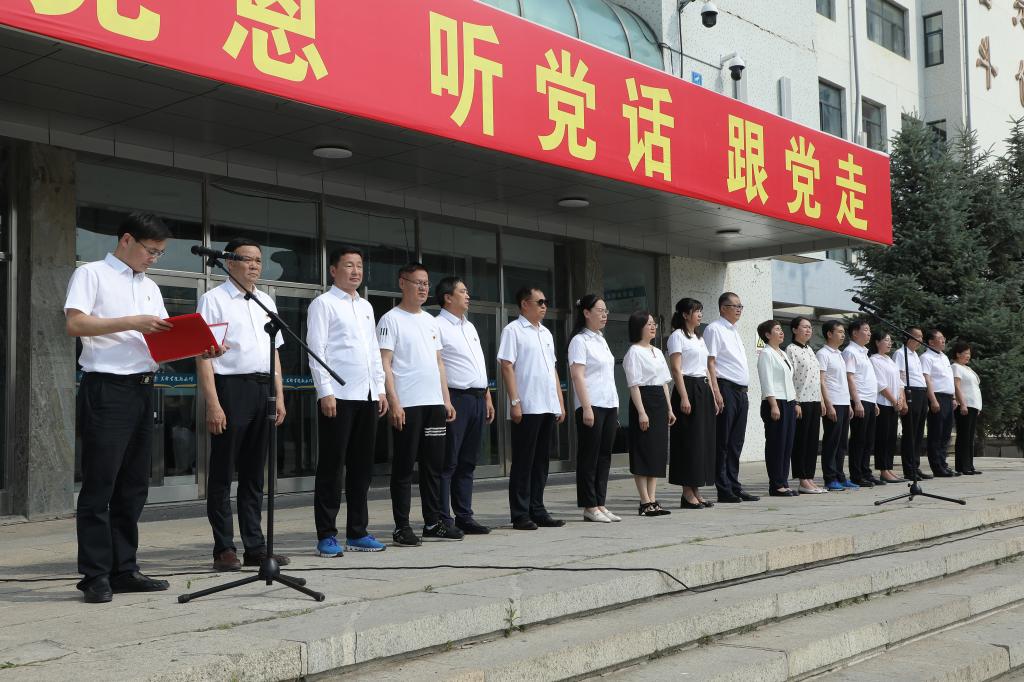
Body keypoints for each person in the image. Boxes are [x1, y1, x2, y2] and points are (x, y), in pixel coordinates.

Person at [65, 213, 218, 603]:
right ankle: (95, 575)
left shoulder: (150, 286)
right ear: (127, 240)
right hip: (106, 388)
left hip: (143, 389)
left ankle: (124, 569)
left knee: (133, 486)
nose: (154, 258)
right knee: (100, 484)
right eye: (151, 250)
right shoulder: (92, 274)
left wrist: (201, 346)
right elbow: (76, 325)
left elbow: (163, 341)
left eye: (160, 253)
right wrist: (132, 322)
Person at [197, 237, 289, 571]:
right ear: (229, 262)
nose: (254, 265)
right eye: (247, 259)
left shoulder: (265, 300)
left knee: (254, 474)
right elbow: (203, 355)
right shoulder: (214, 299)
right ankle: (224, 548)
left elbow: (273, 352)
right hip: (231, 388)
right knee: (223, 472)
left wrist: (280, 395)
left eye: (258, 260)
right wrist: (213, 403)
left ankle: (255, 547)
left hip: (263, 389)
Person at [306, 246, 388, 557]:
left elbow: (373, 351)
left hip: (366, 395)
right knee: (331, 467)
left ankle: (358, 531)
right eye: (349, 265)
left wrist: (379, 388)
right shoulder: (323, 304)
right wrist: (324, 391)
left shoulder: (366, 306)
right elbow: (316, 350)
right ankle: (326, 535)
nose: (356, 271)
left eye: (359, 266)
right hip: (338, 396)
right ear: (333, 270)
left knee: (361, 468)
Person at [378, 263, 459, 546]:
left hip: (433, 404)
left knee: (433, 466)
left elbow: (439, 362)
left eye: (426, 283)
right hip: (408, 404)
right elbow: (385, 363)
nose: (423, 288)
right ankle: (401, 527)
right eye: (418, 282)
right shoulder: (390, 319)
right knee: (403, 468)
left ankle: (433, 522)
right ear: (403, 283)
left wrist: (446, 399)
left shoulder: (431, 321)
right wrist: (394, 401)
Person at [498, 286, 567, 530]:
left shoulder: (546, 333)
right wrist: (515, 402)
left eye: (545, 301)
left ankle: (538, 509)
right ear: (525, 304)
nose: (544, 306)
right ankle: (520, 513)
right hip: (527, 405)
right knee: (523, 461)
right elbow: (506, 365)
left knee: (541, 461)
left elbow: (552, 369)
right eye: (540, 302)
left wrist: (560, 401)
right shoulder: (513, 330)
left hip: (547, 403)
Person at [435, 276, 496, 534]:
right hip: (455, 399)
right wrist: (446, 400)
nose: (468, 295)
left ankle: (465, 516)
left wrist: (487, 396)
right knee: (449, 461)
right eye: (462, 291)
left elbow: (479, 364)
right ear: (448, 297)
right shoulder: (437, 325)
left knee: (468, 461)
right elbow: (437, 365)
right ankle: (443, 518)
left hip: (477, 398)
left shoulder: (469, 326)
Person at [568, 295, 621, 523]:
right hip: (591, 405)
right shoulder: (580, 341)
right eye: (600, 310)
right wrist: (586, 407)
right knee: (589, 457)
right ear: (586, 313)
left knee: (604, 456)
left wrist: (615, 405)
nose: (604, 314)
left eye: (606, 311)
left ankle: (600, 503)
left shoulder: (601, 339)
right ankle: (589, 505)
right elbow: (577, 376)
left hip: (609, 404)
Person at [705, 292, 759, 503]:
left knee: (736, 442)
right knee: (723, 441)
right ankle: (724, 488)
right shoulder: (714, 329)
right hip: (725, 388)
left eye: (740, 306)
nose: (738, 309)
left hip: (741, 392)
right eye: (734, 305)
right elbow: (710, 362)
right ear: (722, 308)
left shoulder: (734, 331)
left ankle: (735, 485)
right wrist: (716, 391)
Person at [623, 311, 676, 516]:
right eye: (649, 324)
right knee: (643, 451)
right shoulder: (634, 352)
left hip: (659, 401)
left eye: (654, 324)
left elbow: (664, 383)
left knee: (656, 452)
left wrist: (669, 408)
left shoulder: (657, 352)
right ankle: (644, 501)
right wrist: (641, 412)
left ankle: (653, 499)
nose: (653, 327)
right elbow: (634, 385)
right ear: (639, 327)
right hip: (643, 400)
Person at [667, 297, 716, 508]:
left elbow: (706, 368)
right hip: (687, 387)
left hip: (702, 388)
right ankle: (687, 492)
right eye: (696, 311)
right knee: (689, 441)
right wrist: (685, 396)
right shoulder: (676, 337)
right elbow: (676, 369)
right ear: (685, 314)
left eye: (701, 310)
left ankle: (696, 489)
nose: (700, 315)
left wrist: (713, 394)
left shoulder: (699, 338)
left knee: (702, 440)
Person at [756, 320, 798, 497]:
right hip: (775, 402)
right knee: (776, 445)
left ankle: (783, 481)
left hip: (788, 402)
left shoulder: (782, 353)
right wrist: (773, 405)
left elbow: (789, 380)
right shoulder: (766, 353)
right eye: (777, 329)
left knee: (787, 444)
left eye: (781, 329)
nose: (781, 332)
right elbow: (766, 381)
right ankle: (776, 485)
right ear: (767, 334)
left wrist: (795, 402)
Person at [786, 317, 827, 494]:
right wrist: (795, 402)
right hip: (801, 401)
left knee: (812, 442)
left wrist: (822, 400)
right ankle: (802, 479)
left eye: (810, 327)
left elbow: (816, 378)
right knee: (801, 442)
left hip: (814, 401)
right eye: (804, 327)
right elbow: (789, 378)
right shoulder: (790, 350)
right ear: (795, 330)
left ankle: (810, 478)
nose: (808, 330)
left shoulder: (810, 349)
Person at [844, 319, 881, 487]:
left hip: (869, 400)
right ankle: (856, 475)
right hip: (859, 400)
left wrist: (874, 402)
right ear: (854, 333)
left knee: (868, 440)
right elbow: (850, 377)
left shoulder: (864, 353)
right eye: (865, 330)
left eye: (869, 330)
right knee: (859, 439)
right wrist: (857, 402)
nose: (869, 333)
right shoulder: (850, 352)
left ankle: (866, 472)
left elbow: (867, 379)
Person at [817, 320, 854, 491]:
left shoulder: (839, 354)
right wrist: (828, 404)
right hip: (833, 403)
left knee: (842, 443)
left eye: (843, 332)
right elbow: (822, 381)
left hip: (844, 403)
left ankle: (840, 476)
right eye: (839, 332)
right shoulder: (823, 354)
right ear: (829, 334)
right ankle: (830, 478)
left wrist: (849, 404)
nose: (843, 335)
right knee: (831, 442)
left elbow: (843, 381)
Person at [868, 330, 907, 484]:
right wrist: (894, 400)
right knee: (882, 438)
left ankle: (889, 468)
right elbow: (881, 384)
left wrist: (901, 399)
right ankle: (883, 470)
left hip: (894, 404)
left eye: (890, 340)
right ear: (877, 342)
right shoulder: (874, 360)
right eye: (886, 340)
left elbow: (900, 382)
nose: (890, 343)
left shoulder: (890, 360)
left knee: (891, 438)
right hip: (884, 403)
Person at [893, 327, 930, 480]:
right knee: (910, 431)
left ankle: (916, 465)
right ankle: (909, 469)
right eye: (918, 337)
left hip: (921, 392)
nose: (921, 340)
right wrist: (902, 398)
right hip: (910, 392)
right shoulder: (901, 354)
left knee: (918, 432)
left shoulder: (915, 355)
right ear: (908, 337)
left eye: (921, 337)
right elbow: (898, 376)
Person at [921, 329, 958, 477]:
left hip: (948, 397)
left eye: (944, 338)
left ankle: (943, 464)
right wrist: (933, 400)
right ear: (931, 342)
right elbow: (927, 379)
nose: (943, 340)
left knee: (946, 433)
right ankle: (937, 467)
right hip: (937, 397)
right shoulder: (926, 357)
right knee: (936, 433)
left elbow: (948, 378)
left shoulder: (944, 356)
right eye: (940, 338)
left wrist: (953, 397)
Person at [951, 341, 983, 475]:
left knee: (970, 437)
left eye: (969, 353)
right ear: (958, 354)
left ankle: (969, 465)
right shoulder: (955, 367)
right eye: (965, 353)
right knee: (963, 436)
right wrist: (962, 403)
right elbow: (957, 386)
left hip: (973, 406)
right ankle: (962, 466)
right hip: (965, 405)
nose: (968, 356)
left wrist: (978, 406)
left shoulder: (968, 369)